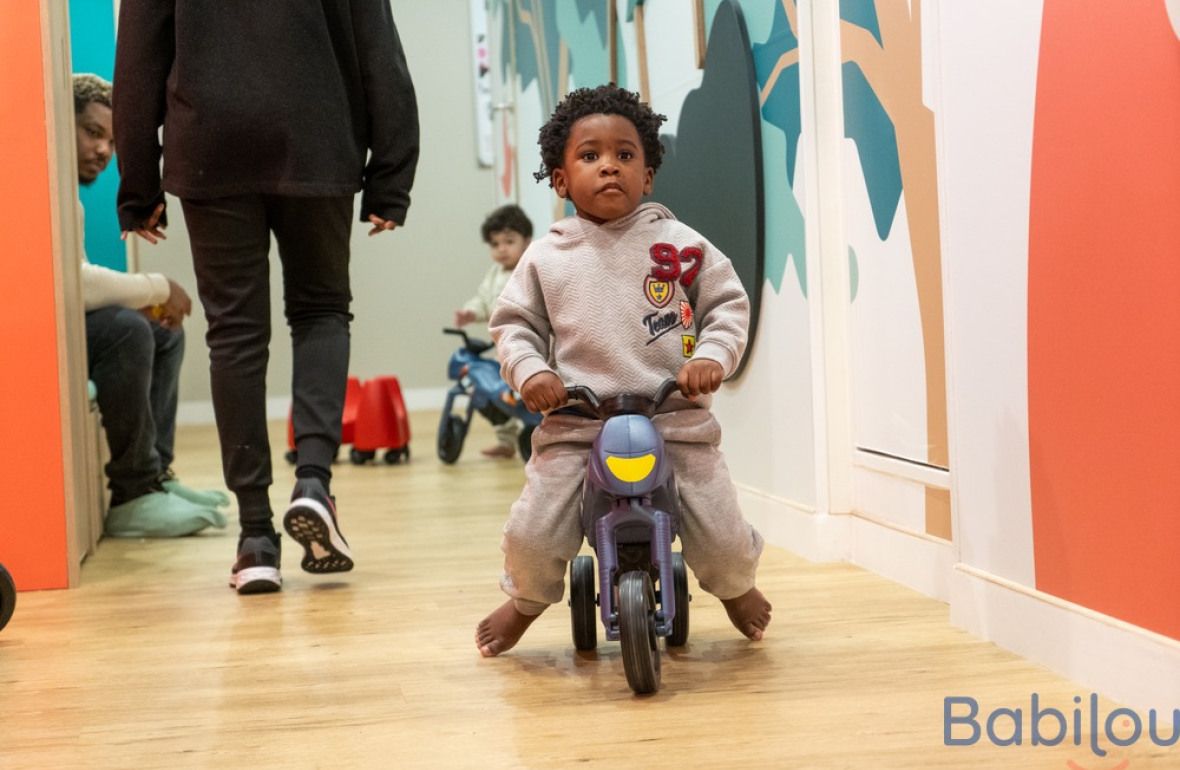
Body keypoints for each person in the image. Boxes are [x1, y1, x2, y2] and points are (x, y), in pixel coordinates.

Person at [113, 3, 420, 594]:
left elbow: (137, 62)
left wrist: (138, 186)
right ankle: (312, 482)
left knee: (233, 332)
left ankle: (255, 537)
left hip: (209, 144)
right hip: (319, 136)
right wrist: (391, 176)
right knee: (322, 311)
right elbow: (380, 52)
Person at [475, 84, 771, 657]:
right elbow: (513, 325)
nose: (609, 165)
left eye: (625, 155)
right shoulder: (545, 257)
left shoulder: (679, 246)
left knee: (723, 531)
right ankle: (526, 602)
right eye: (590, 156)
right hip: (576, 424)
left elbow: (726, 305)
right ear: (561, 181)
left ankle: (736, 589)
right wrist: (532, 370)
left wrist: (711, 357)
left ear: (648, 175)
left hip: (673, 420)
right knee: (533, 531)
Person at [73, 73, 229, 538]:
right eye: (94, 133)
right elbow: (72, 287)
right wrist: (158, 286)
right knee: (127, 329)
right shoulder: (36, 190)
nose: (104, 151)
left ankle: (156, 476)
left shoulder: (65, 199)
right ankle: (134, 495)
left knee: (162, 331)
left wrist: (152, 299)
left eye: (113, 142)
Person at [453, 204, 533, 458]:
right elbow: (483, 300)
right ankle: (505, 441)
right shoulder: (494, 274)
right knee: (491, 395)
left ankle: (537, 438)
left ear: (527, 241)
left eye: (509, 242)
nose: (502, 249)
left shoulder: (532, 269)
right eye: (495, 244)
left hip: (529, 349)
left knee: (525, 396)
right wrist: (470, 312)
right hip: (502, 352)